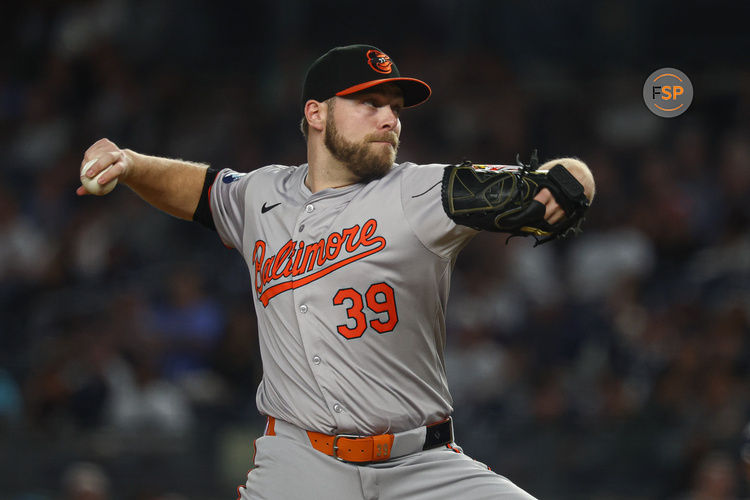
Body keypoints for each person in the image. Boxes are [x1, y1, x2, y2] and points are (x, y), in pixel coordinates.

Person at [77, 44, 595, 499]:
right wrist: (128, 163)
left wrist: (573, 180)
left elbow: (554, 179)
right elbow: (199, 189)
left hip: (421, 464)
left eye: (395, 108)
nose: (389, 119)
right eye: (370, 103)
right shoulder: (261, 194)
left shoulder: (421, 192)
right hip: (300, 465)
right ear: (316, 113)